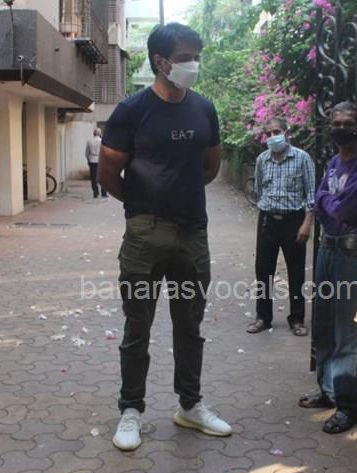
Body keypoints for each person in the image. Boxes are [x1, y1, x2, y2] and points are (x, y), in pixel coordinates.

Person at [98, 23, 231, 451]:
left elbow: (210, 167)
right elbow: (108, 173)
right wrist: (143, 207)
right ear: (160, 61)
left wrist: (178, 197)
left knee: (189, 326)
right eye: (185, 57)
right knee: (137, 326)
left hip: (192, 234)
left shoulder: (203, 109)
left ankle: (190, 405)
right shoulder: (132, 111)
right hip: (144, 236)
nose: (193, 64)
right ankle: (131, 410)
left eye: (196, 56)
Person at [298, 101, 357, 434]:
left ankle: (347, 404)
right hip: (327, 250)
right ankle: (328, 390)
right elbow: (322, 201)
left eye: (348, 123)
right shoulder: (333, 162)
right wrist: (329, 203)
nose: (341, 129)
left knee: (347, 331)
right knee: (323, 324)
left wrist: (327, 203)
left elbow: (347, 210)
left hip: (350, 255)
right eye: (336, 123)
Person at [246, 117, 314, 336]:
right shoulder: (262, 160)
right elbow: (259, 189)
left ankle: (297, 319)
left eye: (276, 131)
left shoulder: (302, 158)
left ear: (286, 133)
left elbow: (311, 194)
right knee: (263, 270)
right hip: (268, 221)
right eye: (268, 133)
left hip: (294, 221)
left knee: (296, 271)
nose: (272, 136)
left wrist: (307, 223)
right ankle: (263, 317)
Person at [86, 128, 106, 198]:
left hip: (92, 160)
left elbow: (87, 153)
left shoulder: (89, 141)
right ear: (100, 133)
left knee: (93, 177)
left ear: (93, 133)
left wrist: (88, 160)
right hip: (101, 160)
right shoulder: (102, 141)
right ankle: (104, 193)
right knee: (103, 177)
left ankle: (95, 192)